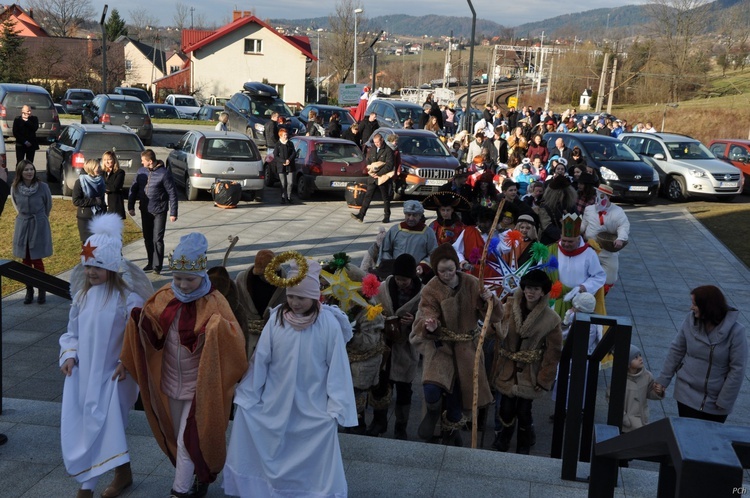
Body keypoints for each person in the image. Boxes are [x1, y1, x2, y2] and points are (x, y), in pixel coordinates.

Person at [119, 233, 248, 498]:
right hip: (169, 383)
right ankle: (196, 477)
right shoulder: (165, 296)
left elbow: (235, 340)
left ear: (202, 275)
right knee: (178, 437)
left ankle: (179, 491)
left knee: (189, 439)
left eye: (189, 279)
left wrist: (218, 330)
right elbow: (152, 331)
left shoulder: (215, 302)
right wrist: (138, 321)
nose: (183, 285)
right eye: (177, 278)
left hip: (200, 387)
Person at [223, 259, 357, 498]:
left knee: (313, 443)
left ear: (315, 298)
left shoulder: (328, 324)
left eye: (301, 298)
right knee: (269, 437)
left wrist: (336, 406)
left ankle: (309, 490)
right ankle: (268, 489)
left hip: (311, 401)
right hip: (277, 396)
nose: (295, 303)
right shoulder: (277, 320)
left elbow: (337, 367)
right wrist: (250, 392)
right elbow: (261, 359)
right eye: (292, 297)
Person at [60, 214, 152, 498]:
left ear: (112, 267)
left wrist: (127, 361)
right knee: (91, 423)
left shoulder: (127, 300)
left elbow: (135, 335)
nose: (90, 273)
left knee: (108, 424)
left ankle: (87, 486)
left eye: (98, 268)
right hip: (85, 372)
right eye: (87, 267)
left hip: (115, 374)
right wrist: (70, 354)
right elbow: (72, 331)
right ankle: (122, 473)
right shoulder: (82, 297)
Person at [411, 243, 501, 446]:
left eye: (451, 269)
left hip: (466, 347)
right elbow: (427, 310)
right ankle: (433, 412)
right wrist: (431, 325)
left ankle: (451, 433)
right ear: (436, 270)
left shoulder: (471, 283)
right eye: (442, 271)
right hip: (441, 345)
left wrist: (489, 300)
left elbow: (493, 315)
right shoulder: (431, 288)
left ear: (457, 267)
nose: (447, 274)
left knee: (457, 397)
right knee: (432, 387)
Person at [491, 269, 562, 454]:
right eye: (529, 287)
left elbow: (553, 351)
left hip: (531, 371)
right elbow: (496, 328)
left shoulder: (552, 318)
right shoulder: (508, 306)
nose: (531, 292)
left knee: (523, 410)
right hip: (508, 366)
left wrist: (544, 378)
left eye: (536, 289)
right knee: (505, 408)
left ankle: (524, 439)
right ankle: (504, 437)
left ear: (543, 291)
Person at [653, 285, 748, 423]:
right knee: (688, 437)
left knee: (709, 442)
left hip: (717, 402)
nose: (691, 308)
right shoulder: (689, 321)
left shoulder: (736, 332)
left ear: (708, 307)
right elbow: (676, 350)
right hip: (686, 394)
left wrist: (724, 400)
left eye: (695, 304)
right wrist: (663, 380)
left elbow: (738, 369)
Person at [369, 254, 423, 440]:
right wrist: (381, 318)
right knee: (380, 385)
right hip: (385, 346)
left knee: (404, 389)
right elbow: (372, 309)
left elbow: (427, 316)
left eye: (405, 280)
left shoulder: (421, 293)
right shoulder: (383, 288)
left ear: (412, 278)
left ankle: (401, 426)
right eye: (399, 279)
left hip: (406, 348)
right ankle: (379, 421)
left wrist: (414, 320)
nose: (401, 283)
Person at [545, 213, 606, 320]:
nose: (566, 244)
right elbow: (542, 270)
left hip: (577, 304)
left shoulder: (589, 253)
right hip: (553, 301)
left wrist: (583, 287)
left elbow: (599, 276)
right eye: (563, 240)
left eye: (570, 241)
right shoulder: (551, 250)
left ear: (578, 239)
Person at [127, 150, 178, 274]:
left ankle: (157, 266)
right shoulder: (141, 172)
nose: (141, 162)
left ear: (150, 161)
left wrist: (173, 212)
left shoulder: (164, 174)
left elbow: (172, 193)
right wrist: (131, 206)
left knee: (157, 239)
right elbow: (133, 189)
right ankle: (150, 262)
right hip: (145, 210)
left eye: (143, 160)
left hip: (159, 211)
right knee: (147, 238)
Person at [12, 159, 52, 305]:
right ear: (20, 172)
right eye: (26, 170)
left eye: (31, 169)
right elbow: (16, 205)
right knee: (25, 260)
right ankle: (29, 289)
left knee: (37, 259)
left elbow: (48, 206)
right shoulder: (15, 188)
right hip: (23, 226)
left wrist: (40, 220)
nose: (29, 172)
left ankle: (42, 289)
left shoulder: (43, 187)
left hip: (38, 225)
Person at [234, 249, 287, 358]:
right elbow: (235, 306)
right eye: (264, 274)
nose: (268, 278)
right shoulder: (242, 281)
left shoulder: (285, 284)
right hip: (248, 339)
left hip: (275, 339)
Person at [581, 184, 630, 292]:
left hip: (607, 249)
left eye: (602, 196)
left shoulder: (618, 211)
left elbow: (623, 226)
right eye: (598, 195)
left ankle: (602, 294)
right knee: (584, 272)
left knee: (611, 275)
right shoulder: (589, 209)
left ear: (609, 197)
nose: (598, 198)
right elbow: (583, 224)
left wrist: (620, 238)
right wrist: (573, 227)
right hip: (590, 248)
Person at [378, 200, 438, 267]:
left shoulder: (428, 232)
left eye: (414, 215)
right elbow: (385, 251)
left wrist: (423, 266)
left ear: (420, 216)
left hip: (418, 273)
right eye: (408, 215)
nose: (411, 218)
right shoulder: (395, 230)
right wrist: (390, 265)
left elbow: (433, 254)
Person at [351, 132, 395, 223]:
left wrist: (378, 173)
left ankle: (387, 216)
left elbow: (389, 165)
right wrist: (370, 170)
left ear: (382, 140)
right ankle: (361, 215)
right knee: (367, 196)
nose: (376, 144)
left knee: (385, 198)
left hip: (382, 178)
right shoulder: (373, 149)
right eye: (375, 142)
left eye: (378, 142)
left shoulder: (388, 150)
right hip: (372, 177)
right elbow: (368, 160)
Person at [622, 345, 663, 433]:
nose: (640, 358)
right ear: (628, 364)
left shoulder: (647, 376)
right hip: (626, 423)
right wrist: (624, 418)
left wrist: (657, 392)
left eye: (640, 355)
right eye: (635, 358)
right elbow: (613, 400)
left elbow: (649, 392)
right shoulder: (621, 380)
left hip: (642, 419)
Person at [72, 159, 106, 243]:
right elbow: (76, 201)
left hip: (99, 216)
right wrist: (93, 201)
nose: (100, 169)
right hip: (85, 218)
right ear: (91, 168)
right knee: (88, 247)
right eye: (97, 167)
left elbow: (102, 199)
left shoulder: (101, 180)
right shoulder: (80, 182)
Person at [273, 128, 297, 204]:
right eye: (284, 135)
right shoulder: (278, 144)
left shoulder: (290, 143)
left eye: (286, 134)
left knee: (290, 182)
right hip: (281, 166)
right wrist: (283, 161)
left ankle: (289, 197)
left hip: (290, 165)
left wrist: (289, 160)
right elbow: (275, 156)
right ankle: (283, 197)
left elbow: (294, 153)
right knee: (283, 183)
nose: (286, 136)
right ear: (280, 136)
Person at [102, 151, 126, 219]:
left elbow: (114, 188)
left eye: (109, 159)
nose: (107, 162)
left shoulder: (120, 172)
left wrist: (103, 186)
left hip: (114, 204)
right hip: (103, 204)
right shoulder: (102, 172)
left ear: (114, 160)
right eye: (105, 160)